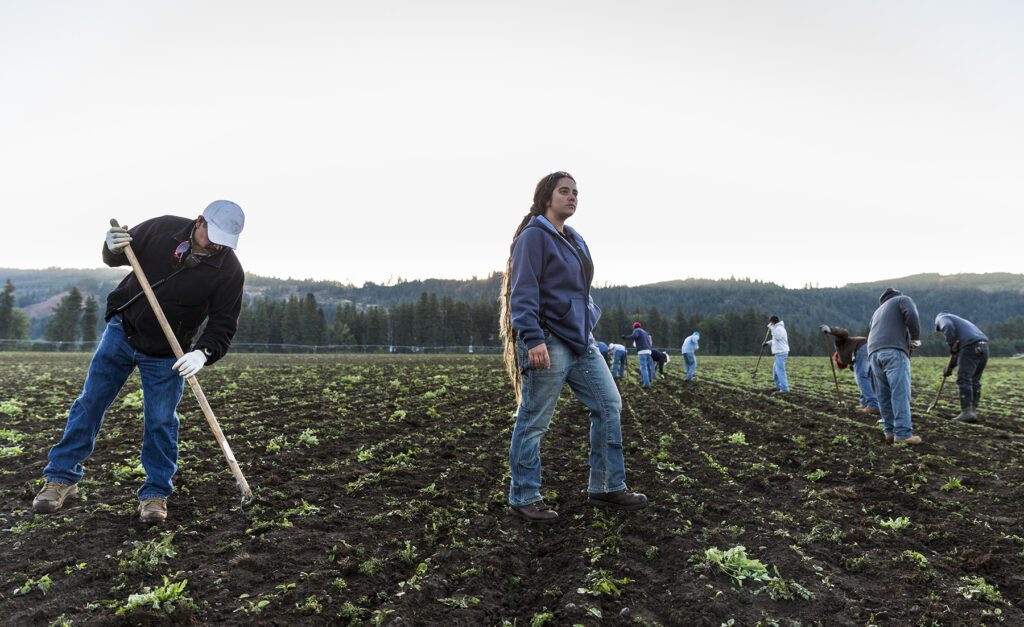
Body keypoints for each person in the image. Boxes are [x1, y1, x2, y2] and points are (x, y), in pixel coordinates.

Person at [32, 201, 246, 524]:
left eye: (225, 241)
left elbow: (223, 325)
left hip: (167, 354)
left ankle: (155, 494)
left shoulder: (230, 271)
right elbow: (117, 254)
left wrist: (203, 353)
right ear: (200, 221)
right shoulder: (162, 228)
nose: (217, 245)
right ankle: (61, 478)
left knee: (161, 421)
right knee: (90, 403)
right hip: (123, 331)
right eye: (213, 235)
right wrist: (109, 245)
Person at [498, 171, 647, 523]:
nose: (572, 197)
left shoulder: (575, 239)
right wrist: (532, 338)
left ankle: (607, 486)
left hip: (581, 342)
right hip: (547, 340)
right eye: (564, 191)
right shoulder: (533, 237)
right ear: (547, 196)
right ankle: (524, 496)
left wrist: (588, 318)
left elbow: (581, 290)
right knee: (534, 420)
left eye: (576, 193)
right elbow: (522, 291)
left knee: (609, 404)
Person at [867, 288, 922, 445]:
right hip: (894, 350)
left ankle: (889, 432)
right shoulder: (902, 299)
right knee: (899, 392)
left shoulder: (877, 312)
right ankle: (903, 434)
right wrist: (915, 338)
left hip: (873, 353)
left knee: (883, 394)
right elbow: (911, 314)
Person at [934, 312, 989, 423]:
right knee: (974, 380)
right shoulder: (962, 322)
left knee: (963, 378)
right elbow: (957, 351)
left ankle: (967, 412)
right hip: (984, 346)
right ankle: (972, 411)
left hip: (971, 346)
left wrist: (950, 343)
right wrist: (950, 367)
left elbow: (947, 327)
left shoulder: (941, 317)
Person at [819, 324, 879, 414]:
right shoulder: (850, 360)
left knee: (861, 377)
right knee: (866, 377)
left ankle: (873, 405)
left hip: (862, 347)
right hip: (870, 346)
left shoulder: (840, 346)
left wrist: (830, 330)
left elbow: (844, 333)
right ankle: (865, 403)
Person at [623, 322, 654, 388]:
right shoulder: (645, 332)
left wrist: (626, 337)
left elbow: (635, 336)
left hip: (642, 351)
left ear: (634, 327)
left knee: (643, 368)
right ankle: (647, 380)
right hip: (649, 351)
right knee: (647, 367)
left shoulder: (637, 330)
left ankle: (647, 384)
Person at [764, 316, 790, 393]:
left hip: (781, 353)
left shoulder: (779, 329)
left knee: (780, 371)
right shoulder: (777, 329)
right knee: (775, 370)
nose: (770, 324)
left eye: (771, 322)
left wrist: (771, 328)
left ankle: (784, 389)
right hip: (779, 353)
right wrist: (767, 343)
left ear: (773, 322)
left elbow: (778, 337)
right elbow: (775, 340)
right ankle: (778, 386)